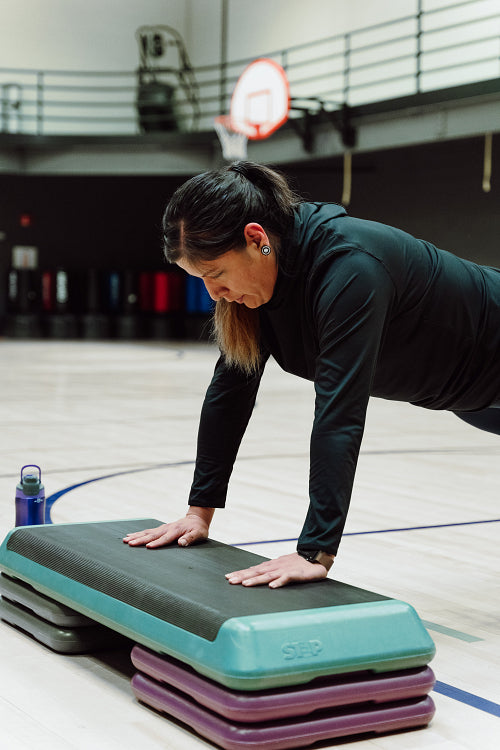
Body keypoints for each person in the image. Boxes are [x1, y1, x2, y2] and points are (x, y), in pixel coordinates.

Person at [124, 160, 500, 588]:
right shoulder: (263, 287)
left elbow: (338, 413)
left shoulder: (350, 266)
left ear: (255, 239)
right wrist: (198, 511)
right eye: (200, 281)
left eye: (215, 275)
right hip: (471, 397)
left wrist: (315, 550)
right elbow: (229, 391)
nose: (214, 294)